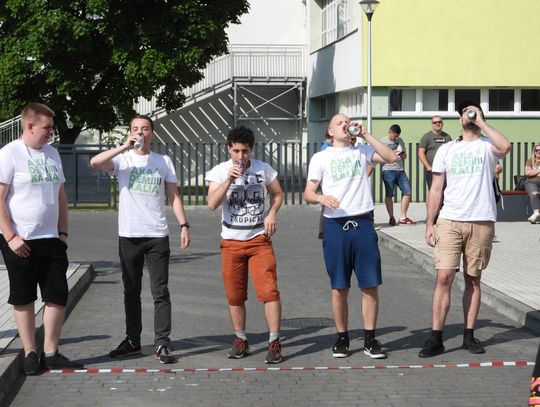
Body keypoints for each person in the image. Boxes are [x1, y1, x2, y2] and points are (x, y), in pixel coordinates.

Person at [90, 114, 190, 364]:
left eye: (144, 128)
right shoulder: (123, 160)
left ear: (152, 134)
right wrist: (124, 145)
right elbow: (95, 162)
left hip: (157, 235)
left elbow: (174, 196)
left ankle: (162, 342)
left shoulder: (163, 161)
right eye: (135, 128)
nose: (140, 132)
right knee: (131, 290)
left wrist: (184, 225)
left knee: (160, 291)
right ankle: (133, 341)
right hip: (130, 235)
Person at [419, 100, 511, 358]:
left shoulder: (488, 147)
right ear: (459, 119)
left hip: (481, 221)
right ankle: (436, 337)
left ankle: (469, 335)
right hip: (449, 220)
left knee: (473, 279)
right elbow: (436, 189)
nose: (468, 116)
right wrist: (429, 222)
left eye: (473, 112)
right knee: (443, 277)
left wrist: (481, 121)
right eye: (465, 113)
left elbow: (506, 146)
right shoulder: (447, 149)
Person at [304, 113, 396, 359]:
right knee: (339, 287)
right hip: (335, 225)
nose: (345, 125)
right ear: (330, 132)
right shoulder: (321, 157)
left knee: (370, 285)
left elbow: (391, 157)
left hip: (363, 223)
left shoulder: (362, 151)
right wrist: (321, 197)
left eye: (347, 121)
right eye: (339, 123)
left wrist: (366, 134)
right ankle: (342, 338)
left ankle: (370, 339)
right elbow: (308, 193)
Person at [0, 103, 83, 375]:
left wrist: (63, 233)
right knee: (23, 296)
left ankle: (51, 352)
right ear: (30, 126)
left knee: (57, 294)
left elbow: (60, 196)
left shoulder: (52, 153)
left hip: (52, 238)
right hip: (20, 239)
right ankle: (30, 353)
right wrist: (11, 236)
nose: (51, 132)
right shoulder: (10, 154)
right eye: (47, 128)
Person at [206, 125, 284, 364]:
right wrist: (228, 180)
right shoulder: (219, 171)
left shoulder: (263, 169)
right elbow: (212, 204)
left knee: (269, 292)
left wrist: (272, 213)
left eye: (245, 151)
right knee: (235, 295)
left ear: (251, 150)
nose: (241, 156)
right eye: (236, 151)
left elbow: (278, 194)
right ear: (229, 149)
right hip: (231, 242)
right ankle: (241, 340)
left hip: (259, 240)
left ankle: (274, 342)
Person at [380, 124, 416, 226]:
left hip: (400, 170)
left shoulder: (400, 140)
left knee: (407, 192)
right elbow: (379, 155)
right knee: (389, 194)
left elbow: (405, 155)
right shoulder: (382, 142)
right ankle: (391, 217)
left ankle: (402, 217)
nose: (396, 138)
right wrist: (390, 155)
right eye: (394, 136)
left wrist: (400, 155)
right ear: (390, 132)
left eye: (397, 136)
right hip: (388, 170)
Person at [418, 116, 452, 208]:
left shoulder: (447, 137)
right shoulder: (427, 137)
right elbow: (421, 153)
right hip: (432, 170)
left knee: (444, 191)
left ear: (442, 123)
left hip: (444, 170)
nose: (437, 124)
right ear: (432, 124)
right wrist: (428, 166)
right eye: (435, 122)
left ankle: (440, 212)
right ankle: (431, 213)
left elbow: (451, 152)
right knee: (432, 191)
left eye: (439, 122)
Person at [524, 143, 540, 224]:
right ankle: (536, 213)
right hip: (532, 182)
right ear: (534, 152)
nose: (538, 152)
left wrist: (534, 171)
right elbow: (527, 173)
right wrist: (539, 170)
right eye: (536, 150)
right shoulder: (530, 161)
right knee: (534, 193)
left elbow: (531, 172)